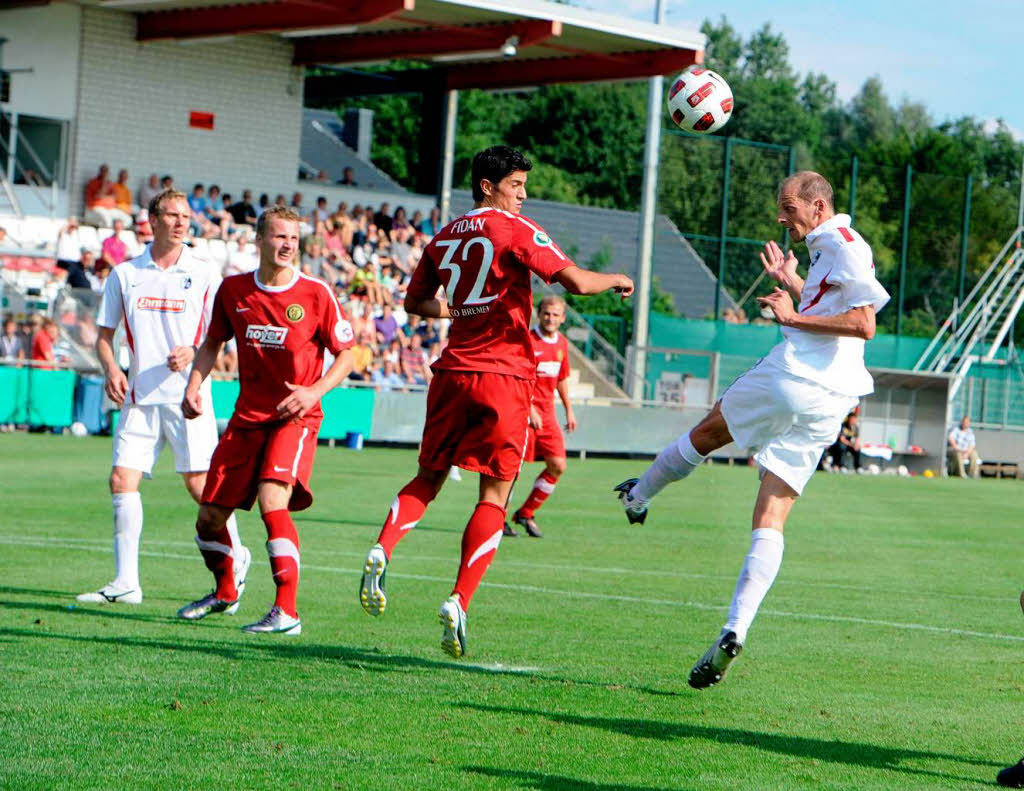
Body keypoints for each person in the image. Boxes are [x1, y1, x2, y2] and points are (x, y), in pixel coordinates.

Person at [615, 171, 889, 689]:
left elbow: (863, 323)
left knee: (712, 426)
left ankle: (639, 494)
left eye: (789, 208)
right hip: (833, 397)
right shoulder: (831, 243)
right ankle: (734, 629)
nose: (781, 217)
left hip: (798, 374)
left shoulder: (844, 245)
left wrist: (792, 315)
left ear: (820, 206)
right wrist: (794, 286)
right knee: (773, 511)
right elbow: (834, 305)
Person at [357, 145, 633, 658]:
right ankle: (459, 600)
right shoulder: (515, 230)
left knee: (428, 477)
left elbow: (414, 302)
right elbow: (574, 281)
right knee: (494, 497)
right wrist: (616, 278)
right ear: (488, 185)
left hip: (452, 371)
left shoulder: (443, 236)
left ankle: (383, 547)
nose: (524, 196)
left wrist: (462, 308)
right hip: (503, 377)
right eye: (516, 186)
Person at [176, 206, 355, 635]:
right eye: (279, 237)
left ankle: (286, 611)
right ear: (259, 240)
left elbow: (347, 356)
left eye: (293, 238)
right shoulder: (234, 290)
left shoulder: (316, 293)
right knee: (209, 518)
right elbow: (212, 342)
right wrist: (193, 385)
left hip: (296, 417)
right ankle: (225, 591)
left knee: (272, 499)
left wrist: (313, 391)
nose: (287, 245)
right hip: (247, 418)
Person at [76, 189, 251, 608]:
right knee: (121, 480)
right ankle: (126, 583)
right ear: (152, 220)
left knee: (200, 486)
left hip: (188, 397)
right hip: (138, 398)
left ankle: (237, 555)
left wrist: (193, 353)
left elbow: (218, 336)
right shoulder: (125, 274)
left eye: (185, 217)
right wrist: (112, 370)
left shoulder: (205, 273)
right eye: (171, 215)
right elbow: (104, 336)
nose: (179, 223)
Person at [505, 295, 577, 539]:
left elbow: (562, 378)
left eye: (556, 315)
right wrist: (529, 408)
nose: (550, 318)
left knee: (558, 465)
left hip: (547, 415)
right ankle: (497, 517)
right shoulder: (527, 339)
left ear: (563, 318)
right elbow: (516, 378)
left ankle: (526, 513)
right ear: (539, 313)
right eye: (547, 313)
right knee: (512, 469)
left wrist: (568, 408)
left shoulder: (562, 344)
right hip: (521, 413)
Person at [827, 407, 862, 472]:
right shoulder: (843, 426)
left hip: (849, 444)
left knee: (857, 449)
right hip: (840, 443)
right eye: (852, 419)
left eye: (855, 419)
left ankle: (858, 467)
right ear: (849, 419)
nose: (854, 420)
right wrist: (852, 445)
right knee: (841, 447)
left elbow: (857, 438)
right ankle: (840, 465)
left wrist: (856, 445)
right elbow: (842, 439)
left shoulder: (855, 427)